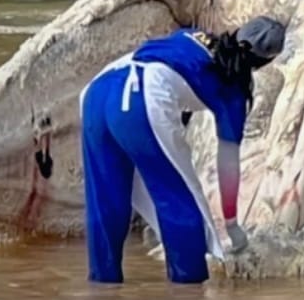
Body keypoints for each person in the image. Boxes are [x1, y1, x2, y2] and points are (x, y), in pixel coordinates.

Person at [81, 16, 287, 284]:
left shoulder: (193, 34)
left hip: (97, 91)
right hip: (140, 95)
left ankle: (103, 290)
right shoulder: (233, 90)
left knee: (106, 200)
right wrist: (232, 224)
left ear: (238, 32)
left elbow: (177, 71)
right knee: (179, 201)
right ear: (265, 62)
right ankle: (188, 293)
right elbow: (228, 165)